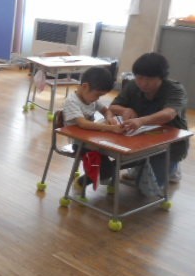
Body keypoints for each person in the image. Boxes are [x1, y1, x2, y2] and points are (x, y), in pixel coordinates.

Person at [109, 52, 189, 186]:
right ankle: (142, 165)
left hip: (169, 145)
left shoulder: (175, 89)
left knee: (148, 188)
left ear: (161, 77)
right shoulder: (133, 86)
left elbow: (169, 114)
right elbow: (113, 107)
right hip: (141, 140)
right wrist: (125, 110)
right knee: (137, 177)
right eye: (139, 77)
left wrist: (141, 121)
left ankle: (173, 168)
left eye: (149, 79)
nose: (143, 83)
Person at [62, 66, 124, 188]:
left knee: (118, 158)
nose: (97, 98)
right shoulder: (72, 101)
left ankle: (105, 176)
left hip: (93, 141)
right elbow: (83, 123)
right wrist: (111, 128)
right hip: (80, 144)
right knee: (106, 168)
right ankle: (81, 183)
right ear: (85, 86)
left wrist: (109, 118)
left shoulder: (91, 99)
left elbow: (106, 110)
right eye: (97, 95)